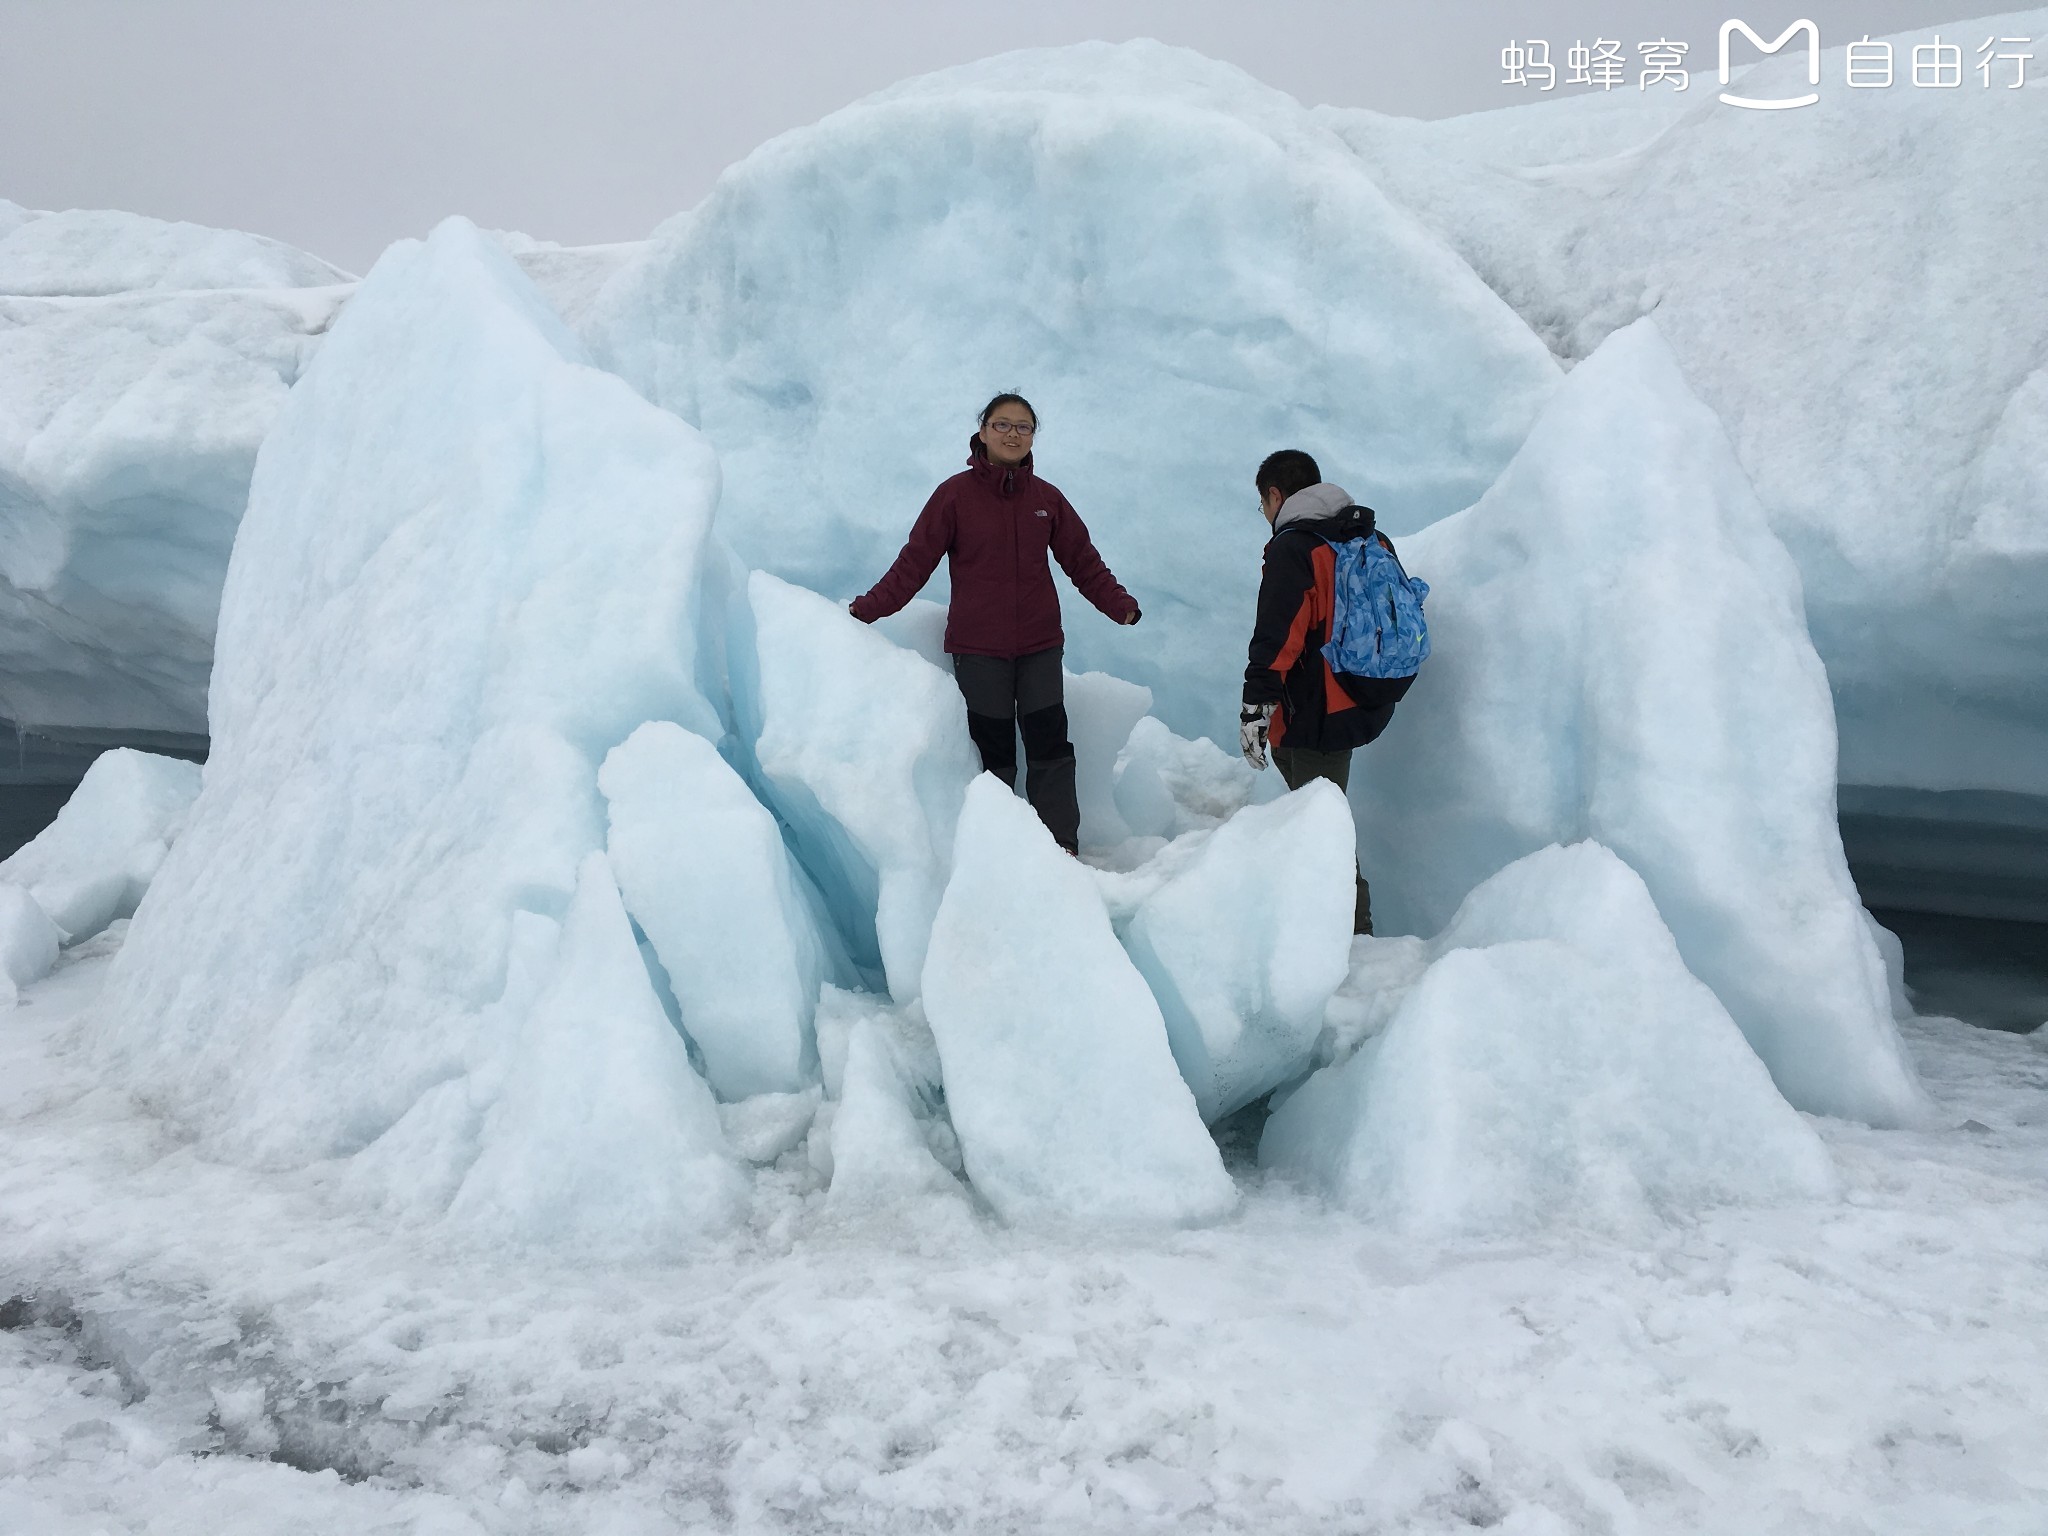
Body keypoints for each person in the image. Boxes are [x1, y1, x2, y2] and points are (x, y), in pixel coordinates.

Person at [849, 393, 1140, 853]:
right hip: (979, 649)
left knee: (1050, 746)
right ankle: (998, 853)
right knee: (993, 752)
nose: (1012, 434)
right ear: (982, 431)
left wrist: (1117, 603)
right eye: (1002, 425)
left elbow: (1082, 561)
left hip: (1040, 645)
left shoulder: (1047, 499)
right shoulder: (954, 496)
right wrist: (868, 608)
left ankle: (1061, 848)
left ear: (1032, 437)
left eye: (1023, 427)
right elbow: (914, 563)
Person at [1239, 449, 1412, 935]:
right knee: (1317, 814)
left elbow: (1278, 635)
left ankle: (1354, 935)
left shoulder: (1295, 547)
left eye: (1263, 506)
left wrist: (1256, 705)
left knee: (1324, 828)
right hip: (1359, 698)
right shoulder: (1369, 536)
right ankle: (1324, 921)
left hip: (1314, 711)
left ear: (1275, 496)